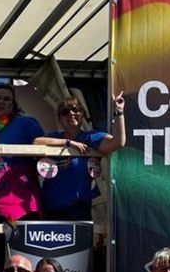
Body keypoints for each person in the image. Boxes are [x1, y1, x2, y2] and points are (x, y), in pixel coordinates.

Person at [32, 93, 126, 221]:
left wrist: (119, 112)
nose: (71, 113)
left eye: (76, 110)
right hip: (49, 209)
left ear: (82, 115)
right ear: (60, 118)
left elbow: (117, 143)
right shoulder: (55, 137)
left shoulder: (89, 137)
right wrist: (68, 143)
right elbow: (36, 142)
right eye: (65, 111)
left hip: (76, 209)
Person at [0, 82, 45, 222]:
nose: (1, 102)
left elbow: (44, 153)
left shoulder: (25, 124)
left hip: (20, 208)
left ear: (12, 105)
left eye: (6, 99)